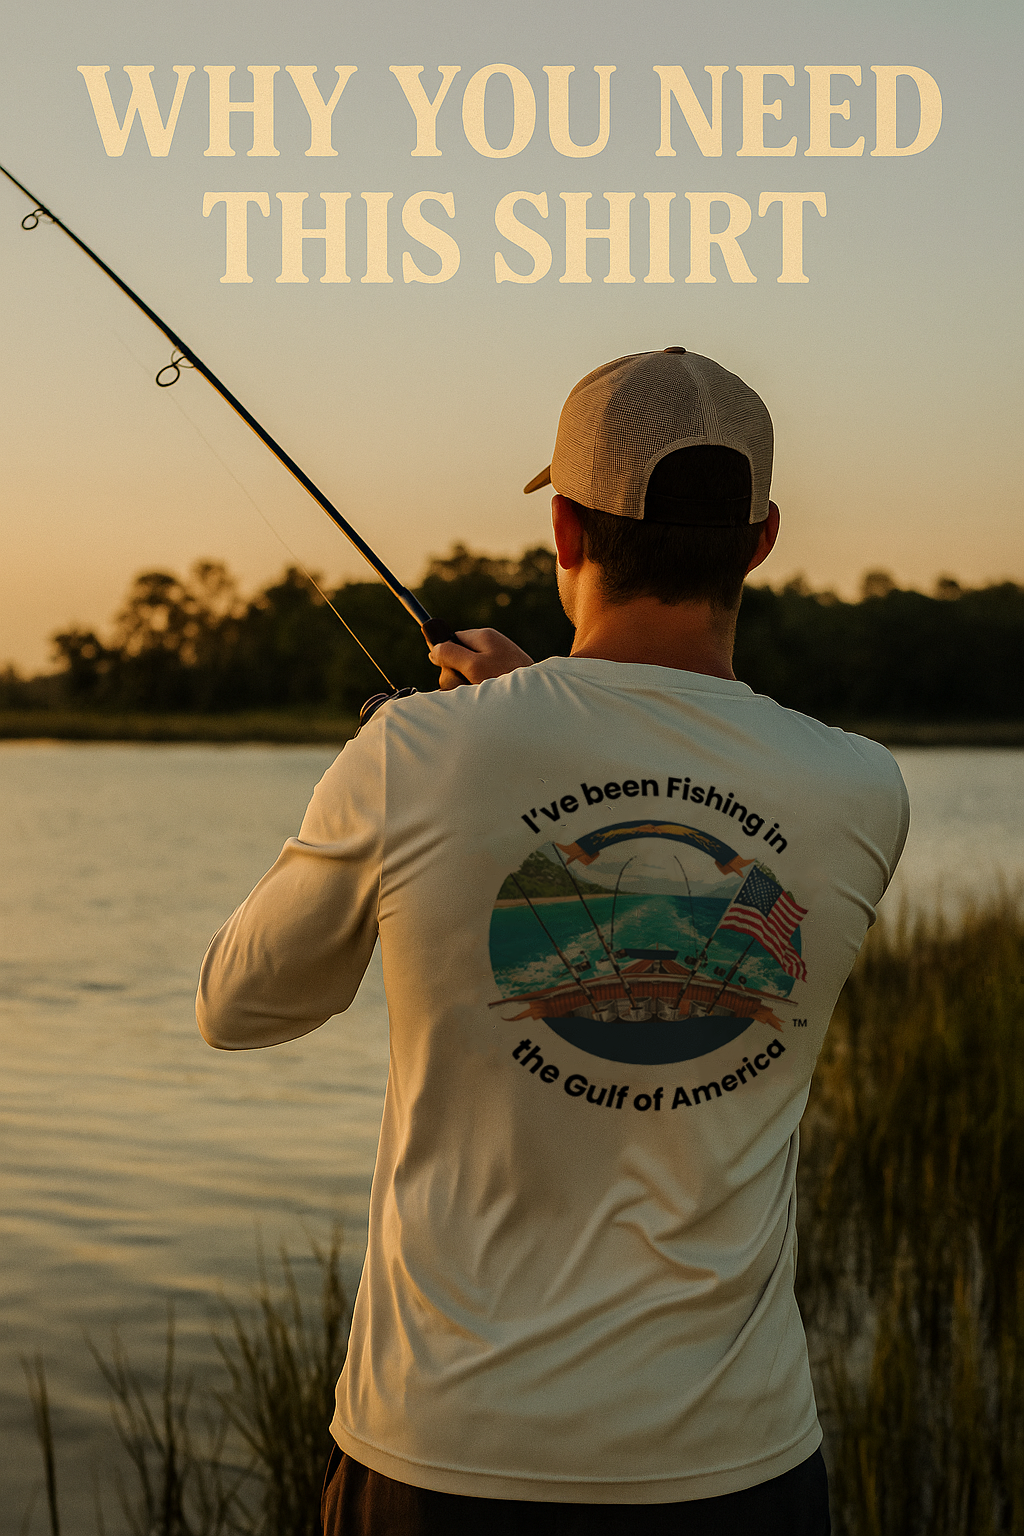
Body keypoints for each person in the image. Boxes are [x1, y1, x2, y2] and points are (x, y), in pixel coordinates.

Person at [197, 348, 909, 1535]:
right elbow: (665, 768)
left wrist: (416, 752)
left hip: (443, 1459)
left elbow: (240, 1005)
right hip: (743, 1470)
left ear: (567, 531)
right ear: (761, 538)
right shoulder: (863, 788)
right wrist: (526, 716)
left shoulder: (415, 755)